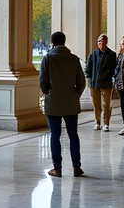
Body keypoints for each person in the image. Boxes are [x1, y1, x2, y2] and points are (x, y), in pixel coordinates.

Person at [39, 30, 86, 178]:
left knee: (55, 135)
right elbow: (81, 82)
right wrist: (75, 94)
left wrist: (49, 92)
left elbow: (43, 82)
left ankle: (57, 168)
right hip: (71, 102)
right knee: (73, 135)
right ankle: (77, 167)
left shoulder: (47, 59)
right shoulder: (73, 59)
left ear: (52, 42)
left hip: (53, 102)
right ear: (64, 42)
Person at [84, 34, 117, 131]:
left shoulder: (112, 54)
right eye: (98, 41)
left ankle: (106, 123)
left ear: (106, 42)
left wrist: (110, 77)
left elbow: (114, 68)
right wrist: (89, 80)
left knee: (106, 104)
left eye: (102, 41)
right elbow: (88, 68)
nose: (100, 43)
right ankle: (97, 122)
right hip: (94, 84)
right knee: (96, 104)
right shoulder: (93, 54)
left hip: (106, 84)